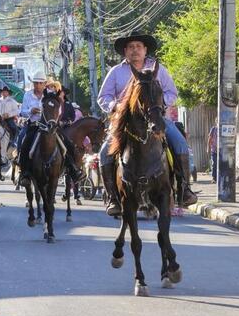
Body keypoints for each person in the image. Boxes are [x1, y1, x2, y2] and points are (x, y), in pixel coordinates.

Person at [97, 31, 198, 217]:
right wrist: (115, 106)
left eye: (138, 47)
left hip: (156, 118)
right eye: (131, 47)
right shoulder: (116, 72)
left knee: (180, 143)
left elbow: (172, 93)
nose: (135, 50)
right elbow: (103, 97)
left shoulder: (158, 70)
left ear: (145, 50)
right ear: (125, 51)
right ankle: (113, 197)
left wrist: (159, 105)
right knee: (104, 152)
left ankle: (185, 189)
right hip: (125, 123)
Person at [16, 79, 84, 186]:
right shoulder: (27, 95)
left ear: (44, 84)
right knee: (23, 141)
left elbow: (59, 110)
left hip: (50, 125)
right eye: (36, 83)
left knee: (67, 143)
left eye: (40, 83)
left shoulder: (50, 94)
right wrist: (30, 111)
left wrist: (54, 117)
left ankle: (73, 170)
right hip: (34, 125)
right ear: (33, 84)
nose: (38, 85)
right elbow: (21, 112)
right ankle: (24, 173)